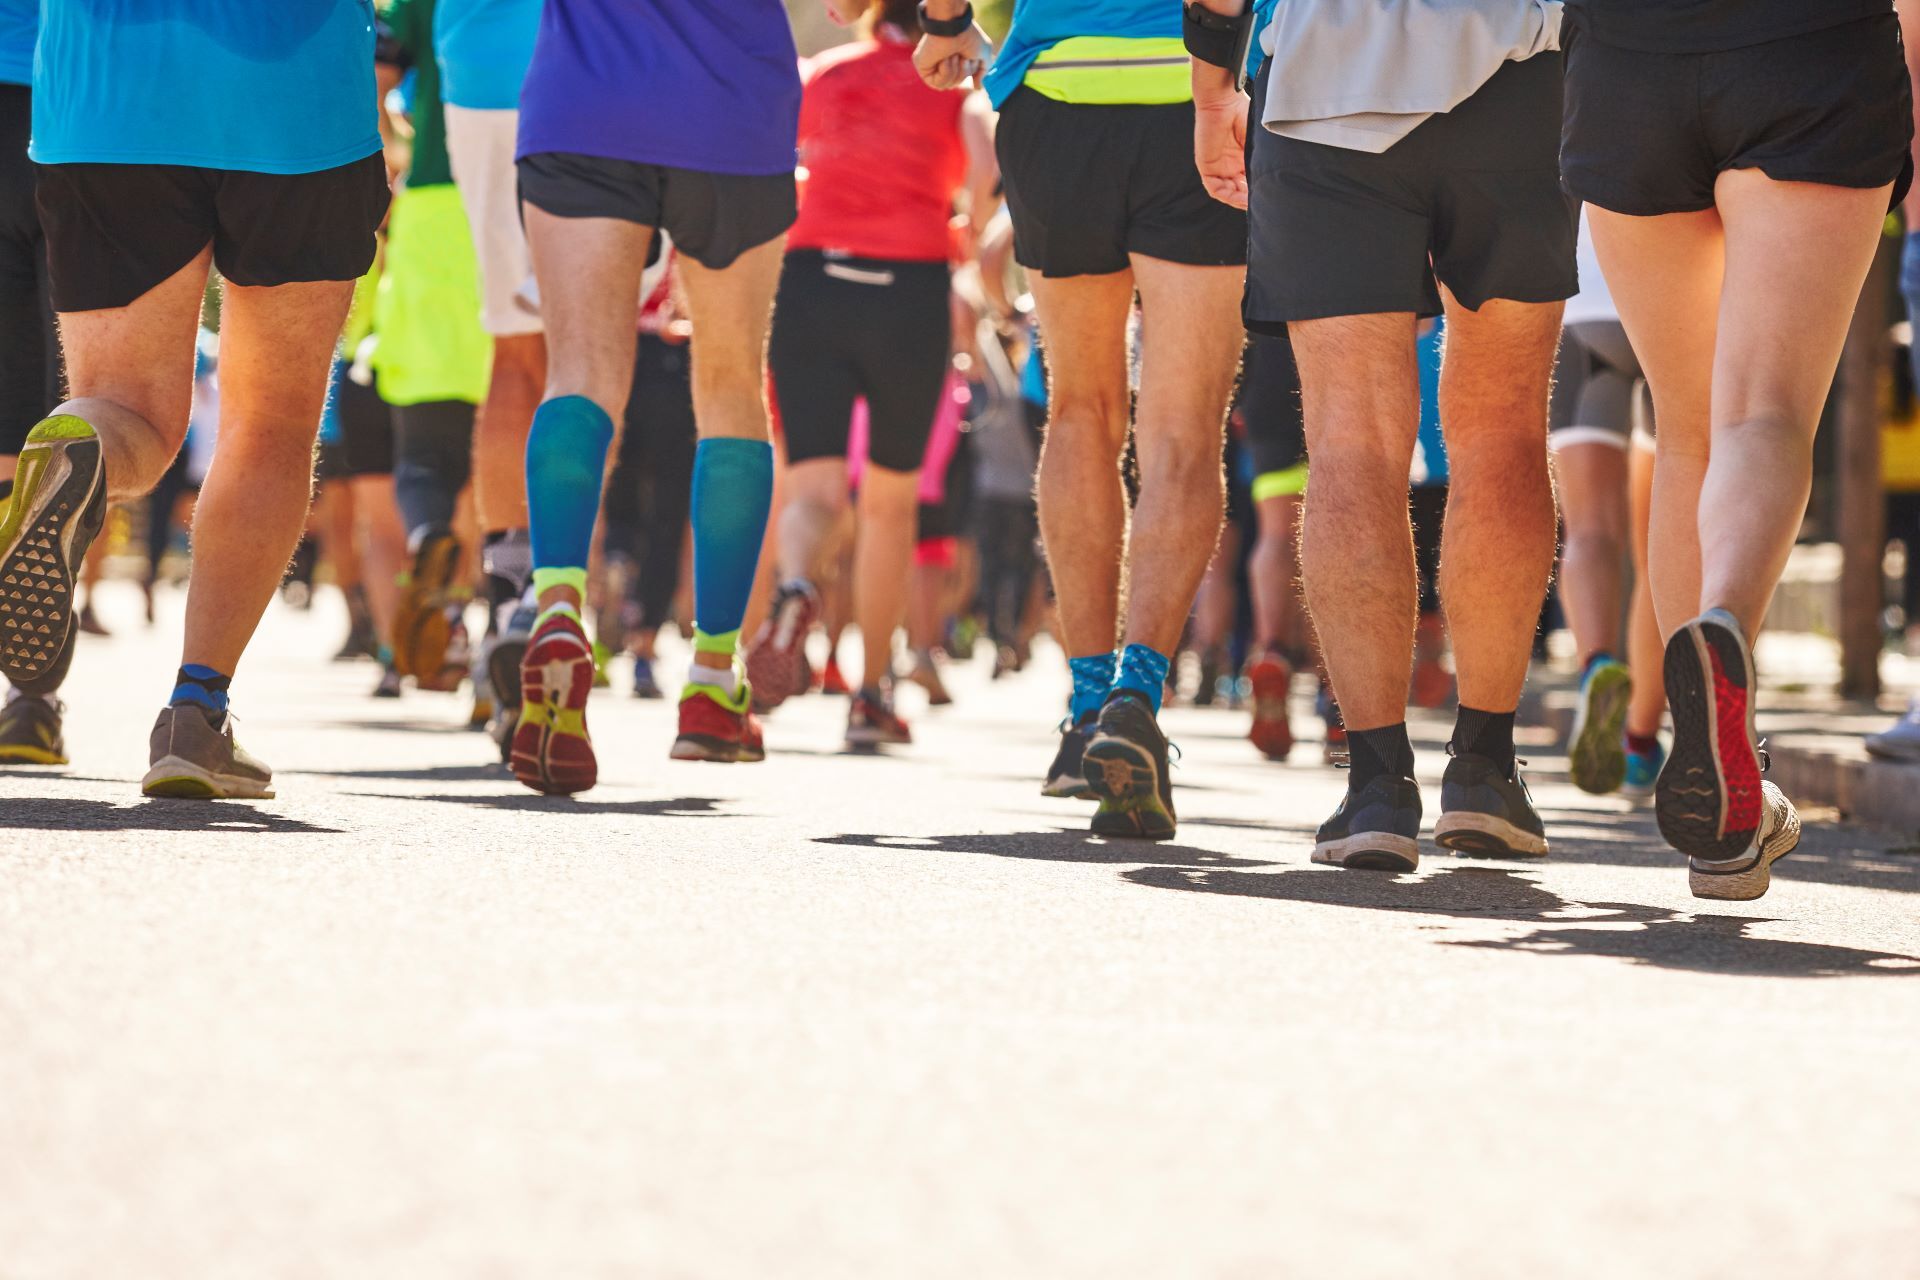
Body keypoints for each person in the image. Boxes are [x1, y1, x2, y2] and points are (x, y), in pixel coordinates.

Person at [1196, 0, 1574, 871]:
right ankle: (1483, 769)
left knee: (1350, 443)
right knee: (1505, 433)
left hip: (1329, 77)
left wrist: (1212, 86)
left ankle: (1376, 784)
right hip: (1519, 75)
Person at [1564, 0, 1910, 899]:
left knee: (1684, 430)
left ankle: (1720, 791)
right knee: (1762, 416)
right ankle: (1721, 626)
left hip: (1629, 64)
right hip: (1813, 55)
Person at [0, 0, 388, 798]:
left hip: (103, 88)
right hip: (298, 92)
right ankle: (195, 713)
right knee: (272, 424)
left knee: (125, 409)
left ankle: (79, 439)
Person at [918, 0, 1249, 841]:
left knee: (1078, 411)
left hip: (1058, 93)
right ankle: (1136, 692)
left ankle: (1086, 704)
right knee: (1182, 431)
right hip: (1198, 82)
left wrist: (944, 19)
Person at [509, 0, 798, 792]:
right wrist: (941, 24)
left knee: (581, 375)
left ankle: (560, 605)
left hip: (584, 103)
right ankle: (710, 681)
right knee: (732, 382)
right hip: (732, 110)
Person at [749, 0, 995, 750]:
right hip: (910, 287)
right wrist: (969, 228)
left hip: (810, 282)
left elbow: (776, 164)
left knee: (813, 488)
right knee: (889, 504)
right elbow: (985, 171)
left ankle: (796, 587)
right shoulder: (955, 83)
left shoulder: (821, 73)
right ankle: (872, 691)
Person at [374, 0, 492, 703]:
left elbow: (376, 75)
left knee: (423, 447)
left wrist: (395, 142)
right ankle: (496, 639)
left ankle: (428, 537)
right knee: (504, 436)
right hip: (527, 199)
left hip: (430, 212)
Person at [435, 0, 544, 736]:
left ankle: (516, 598)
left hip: (477, 63)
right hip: (598, 58)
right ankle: (553, 603)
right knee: (587, 358)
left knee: (515, 345)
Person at [1548, 212, 1666, 796]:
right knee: (1659, 551)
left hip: (1580, 309)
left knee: (1589, 530)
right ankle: (1640, 742)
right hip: (1667, 304)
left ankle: (1597, 665)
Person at [0, 0, 67, 765]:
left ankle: (24, 699)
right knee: (76, 413)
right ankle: (31, 698)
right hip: (77, 104)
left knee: (7, 412)